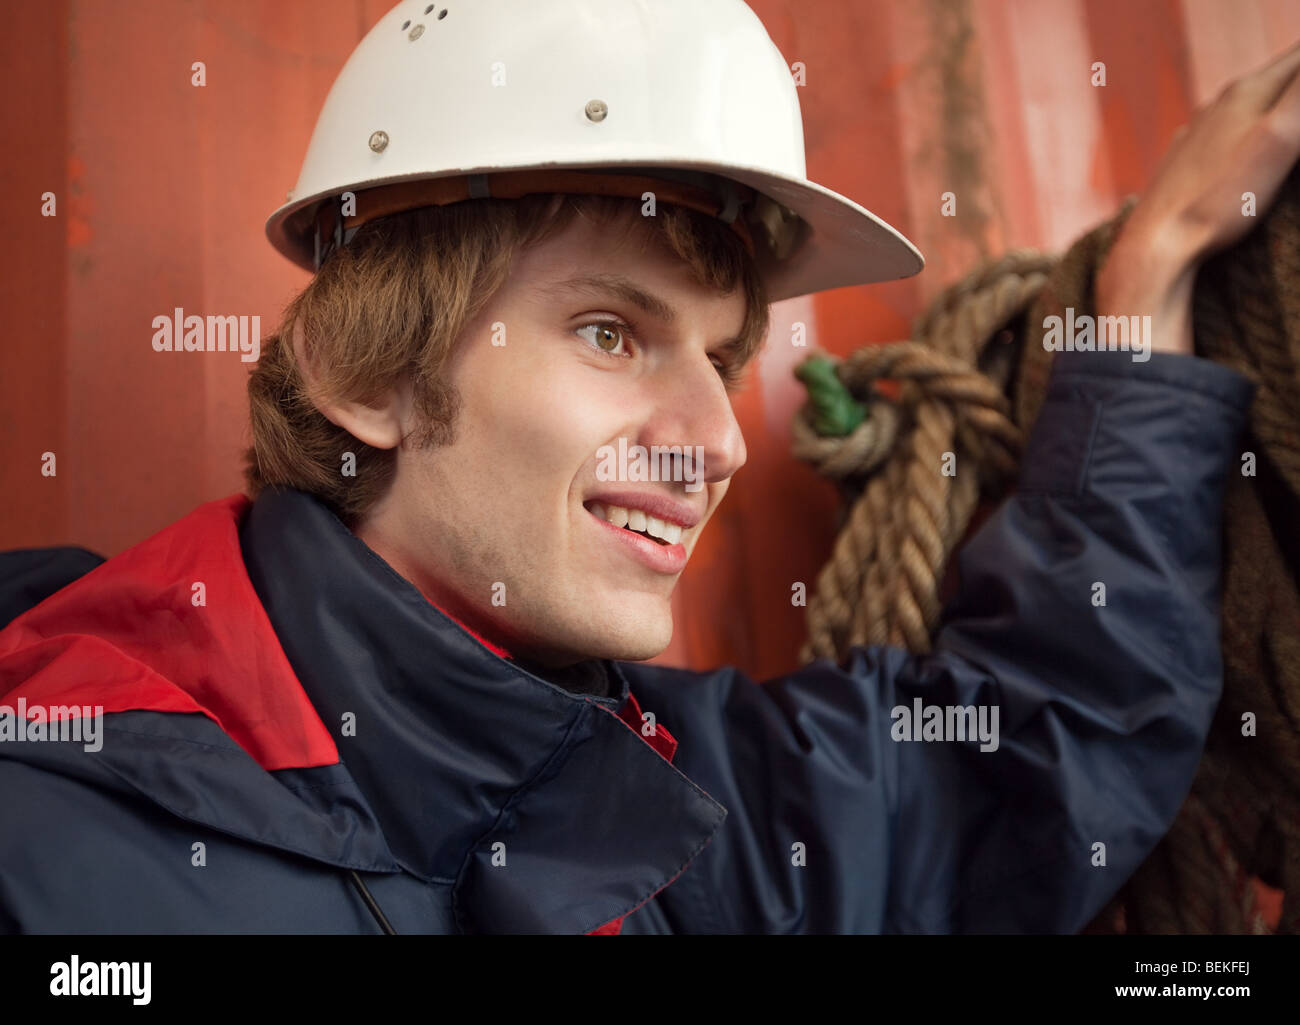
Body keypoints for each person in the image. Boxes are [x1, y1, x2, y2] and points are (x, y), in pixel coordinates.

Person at [1, 0, 1298, 934]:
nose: (721, 439)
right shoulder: (54, 830)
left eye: (724, 359)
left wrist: (1147, 280)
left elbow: (1038, 748)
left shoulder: (668, 790)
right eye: (612, 331)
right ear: (371, 377)